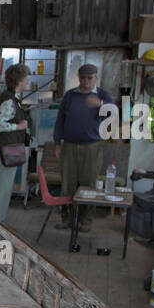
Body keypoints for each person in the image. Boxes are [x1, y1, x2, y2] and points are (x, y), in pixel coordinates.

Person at [52, 63, 114, 231]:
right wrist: (57, 143)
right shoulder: (70, 96)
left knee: (89, 184)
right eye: (82, 78)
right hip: (69, 146)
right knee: (67, 184)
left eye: (89, 78)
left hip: (92, 147)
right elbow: (60, 121)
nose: (86, 81)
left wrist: (100, 104)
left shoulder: (102, 95)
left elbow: (116, 113)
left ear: (96, 78)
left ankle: (86, 221)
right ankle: (67, 219)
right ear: (78, 78)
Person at [0, 63, 31, 222]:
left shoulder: (10, 97)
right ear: (20, 80)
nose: (27, 82)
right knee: (2, 189)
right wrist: (18, 126)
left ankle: (0, 220)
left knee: (4, 188)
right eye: (26, 79)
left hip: (7, 149)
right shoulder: (9, 99)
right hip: (5, 150)